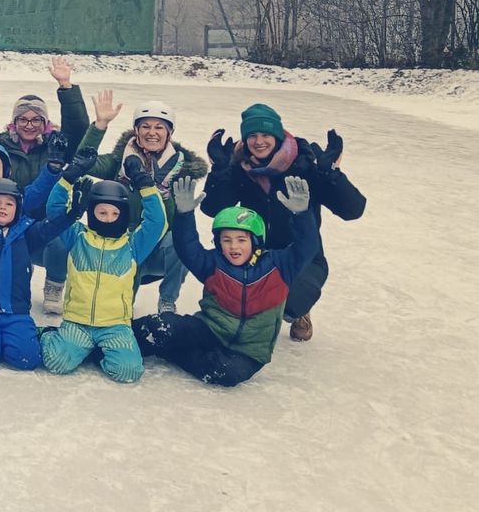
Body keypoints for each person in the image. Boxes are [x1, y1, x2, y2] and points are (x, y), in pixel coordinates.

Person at [199, 103, 366, 342]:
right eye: (252, 136)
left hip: (301, 255)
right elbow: (212, 208)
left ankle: (300, 312)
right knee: (228, 296)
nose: (259, 141)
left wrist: (332, 174)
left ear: (277, 135)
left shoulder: (305, 165)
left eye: (266, 134)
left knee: (291, 302)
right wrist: (220, 170)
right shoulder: (240, 167)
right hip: (254, 254)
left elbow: (353, 210)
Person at [133, 177, 319, 386]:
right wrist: (184, 215)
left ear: (255, 241)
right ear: (219, 243)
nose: (234, 247)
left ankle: (171, 352)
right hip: (209, 330)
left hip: (248, 351)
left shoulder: (279, 266)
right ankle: (117, 343)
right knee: (160, 326)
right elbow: (187, 248)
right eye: (226, 240)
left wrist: (303, 215)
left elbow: (307, 248)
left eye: (241, 240)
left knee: (225, 373)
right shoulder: (214, 264)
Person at [0, 57, 90, 315]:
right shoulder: (1, 147)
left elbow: (78, 128)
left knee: (61, 234)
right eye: (23, 119)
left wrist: (66, 87)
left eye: (36, 120)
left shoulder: (56, 146)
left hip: (44, 226)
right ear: (14, 122)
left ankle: (55, 283)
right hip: (9, 223)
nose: (29, 125)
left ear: (45, 123)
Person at [72, 94, 209, 314]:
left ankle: (167, 300)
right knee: (119, 311)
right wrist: (100, 125)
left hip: (157, 250)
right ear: (137, 130)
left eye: (159, 127)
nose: (151, 132)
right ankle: (121, 306)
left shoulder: (182, 170)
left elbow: (177, 224)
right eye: (145, 126)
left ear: (169, 133)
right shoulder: (119, 161)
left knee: (179, 242)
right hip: (121, 248)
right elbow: (85, 163)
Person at [39, 148, 166, 383]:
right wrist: (70, 176)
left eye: (114, 213)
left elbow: (157, 222)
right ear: (91, 212)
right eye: (101, 212)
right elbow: (55, 212)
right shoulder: (78, 237)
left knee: (128, 372)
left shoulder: (132, 245)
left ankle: (99, 351)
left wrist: (144, 183)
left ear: (123, 214)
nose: (107, 218)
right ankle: (50, 335)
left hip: (114, 326)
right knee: (56, 363)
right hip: (78, 322)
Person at [0, 177, 76, 371]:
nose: (3, 207)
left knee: (27, 359)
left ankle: (16, 336)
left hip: (15, 312)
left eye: (9, 203)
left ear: (18, 207)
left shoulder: (25, 233)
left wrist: (72, 214)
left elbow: (50, 228)